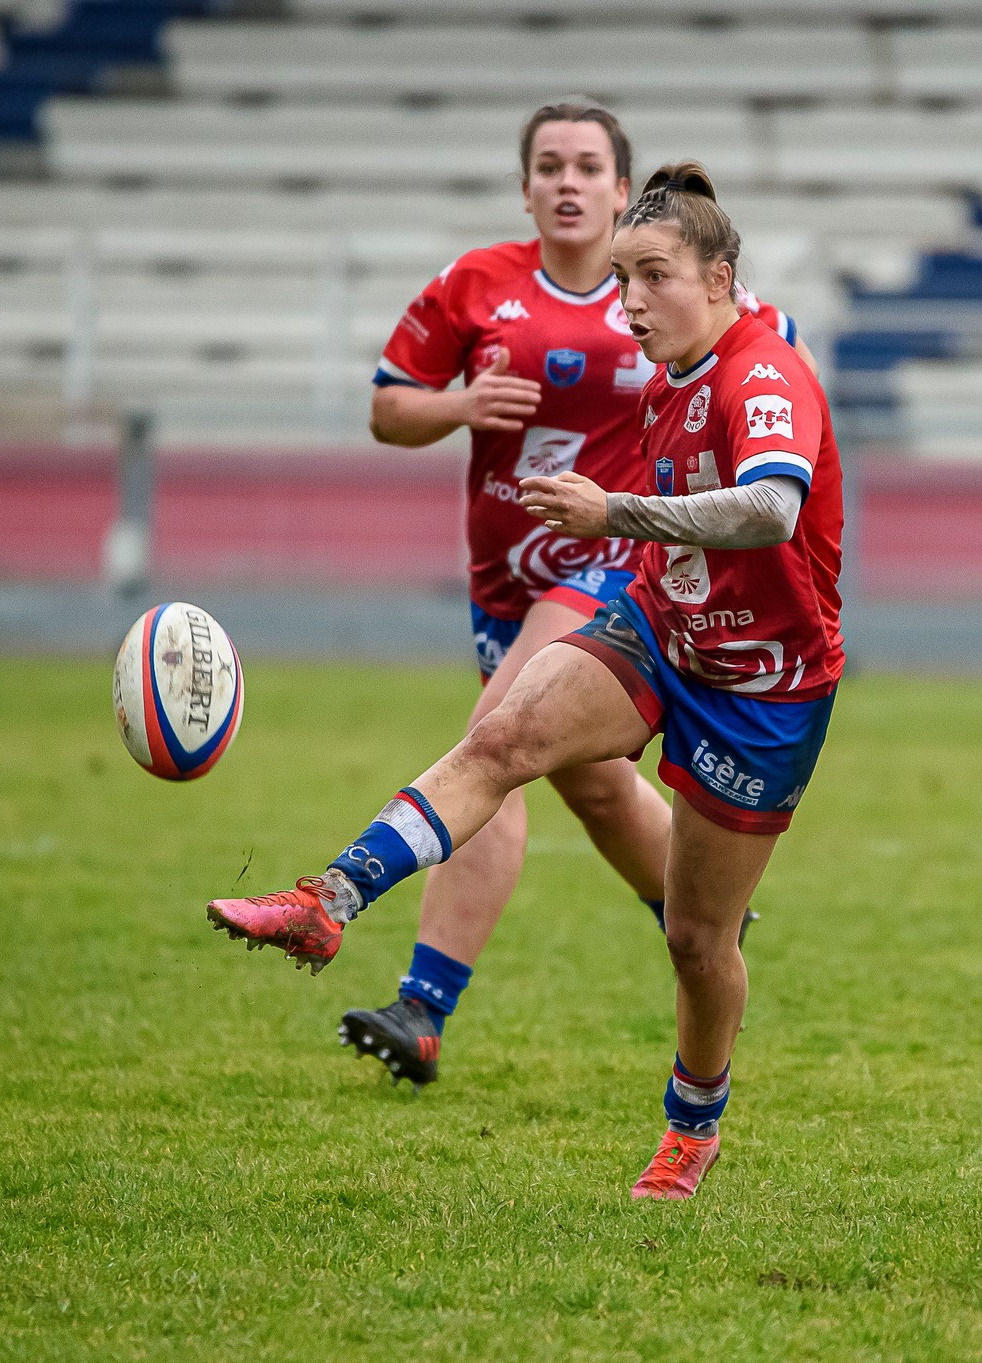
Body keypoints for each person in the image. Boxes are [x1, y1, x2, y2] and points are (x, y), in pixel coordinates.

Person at [209, 161, 845, 1199]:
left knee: (696, 940)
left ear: (720, 279)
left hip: (763, 692)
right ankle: (326, 899)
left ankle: (692, 1127)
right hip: (654, 629)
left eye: (652, 277)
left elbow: (770, 510)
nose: (629, 301)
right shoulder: (672, 369)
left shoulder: (760, 372)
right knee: (502, 738)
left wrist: (613, 514)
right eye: (622, 279)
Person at [332, 102, 816, 1091]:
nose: (565, 181)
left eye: (587, 165)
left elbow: (768, 371)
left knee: (498, 737)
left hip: (606, 564)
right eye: (547, 164)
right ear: (523, 188)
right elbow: (386, 407)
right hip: (503, 579)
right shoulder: (475, 285)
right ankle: (700, 914)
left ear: (618, 186)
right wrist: (460, 405)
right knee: (589, 782)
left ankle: (422, 1002)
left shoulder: (679, 293)